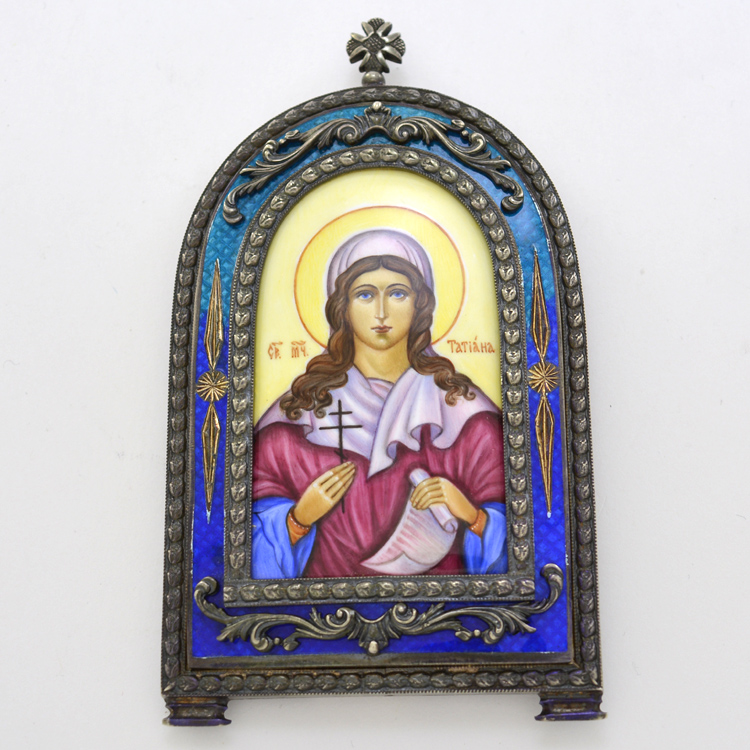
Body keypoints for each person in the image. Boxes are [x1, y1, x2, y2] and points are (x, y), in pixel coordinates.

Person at [251, 229, 506, 578]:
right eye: (365, 295)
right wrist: (297, 521)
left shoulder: (464, 415)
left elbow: (520, 541)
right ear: (342, 307)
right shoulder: (296, 418)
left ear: (420, 304)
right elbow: (243, 548)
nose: (382, 312)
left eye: (398, 293)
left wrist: (474, 518)